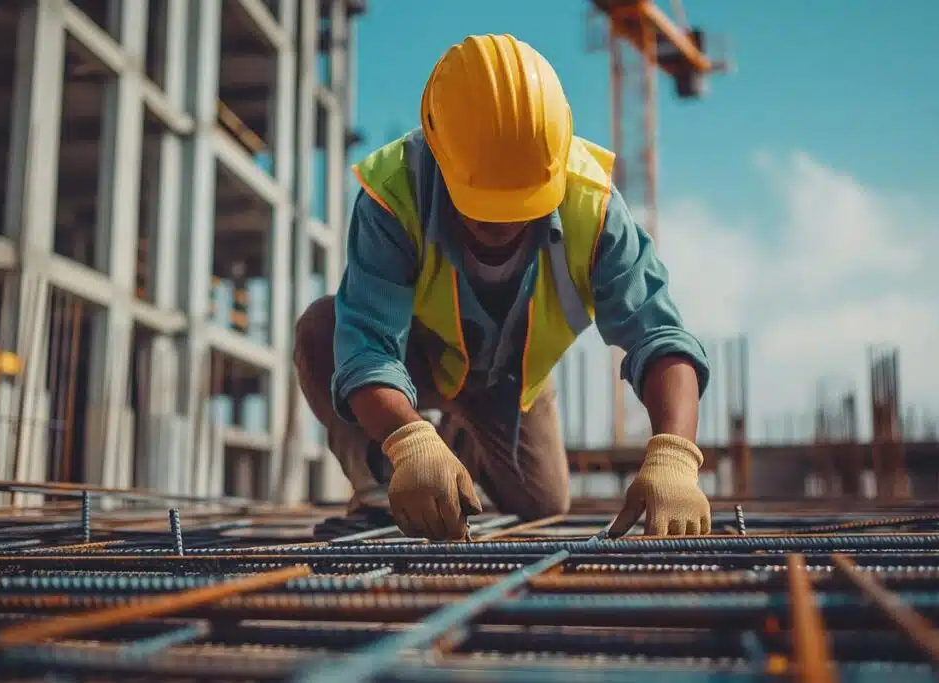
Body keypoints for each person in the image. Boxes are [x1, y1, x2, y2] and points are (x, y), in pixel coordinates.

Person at [294, 33, 712, 541]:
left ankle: (459, 438)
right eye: (483, 205)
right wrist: (408, 443)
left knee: (544, 506)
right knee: (323, 330)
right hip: (418, 360)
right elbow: (367, 350)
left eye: (519, 205)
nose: (502, 225)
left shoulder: (593, 206)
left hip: (508, 379)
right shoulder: (395, 194)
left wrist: (674, 454)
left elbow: (660, 336)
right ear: (439, 152)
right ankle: (380, 482)